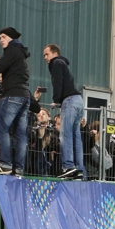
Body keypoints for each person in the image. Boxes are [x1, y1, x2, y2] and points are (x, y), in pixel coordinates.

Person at [0, 27, 31, 175]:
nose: (1, 40)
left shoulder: (12, 50)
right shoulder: (21, 54)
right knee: (20, 134)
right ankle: (19, 168)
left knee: (2, 129)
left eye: (4, 37)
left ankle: (5, 164)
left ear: (11, 38)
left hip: (12, 95)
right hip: (25, 96)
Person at [43, 44, 84, 179]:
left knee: (65, 135)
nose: (45, 58)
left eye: (46, 54)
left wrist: (56, 99)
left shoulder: (56, 63)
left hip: (70, 101)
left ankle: (67, 166)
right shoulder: (63, 64)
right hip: (78, 101)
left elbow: (57, 82)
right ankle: (79, 169)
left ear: (55, 54)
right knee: (75, 136)